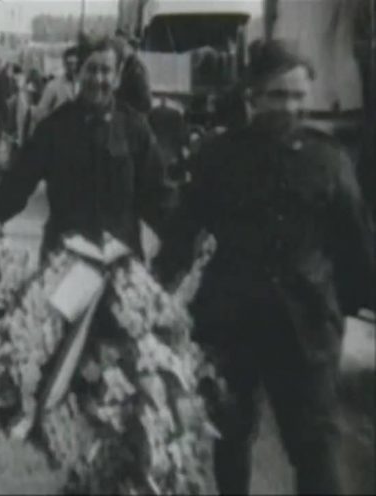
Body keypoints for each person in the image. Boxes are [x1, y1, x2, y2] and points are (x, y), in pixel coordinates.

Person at [154, 39, 374, 495]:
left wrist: (347, 311)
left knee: (316, 447)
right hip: (231, 326)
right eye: (278, 95)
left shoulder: (329, 160)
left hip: (308, 328)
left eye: (298, 96)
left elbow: (355, 244)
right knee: (230, 437)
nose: (290, 107)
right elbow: (182, 231)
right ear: (251, 96)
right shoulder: (217, 157)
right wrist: (154, 290)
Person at [0, 36, 171, 262]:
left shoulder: (135, 129)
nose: (98, 79)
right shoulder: (54, 128)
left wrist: (182, 241)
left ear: (116, 77)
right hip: (64, 261)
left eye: (106, 71)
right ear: (78, 73)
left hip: (121, 265)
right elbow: (18, 182)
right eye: (91, 69)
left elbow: (157, 198)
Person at [33, 46, 80, 126]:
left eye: (75, 63)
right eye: (69, 63)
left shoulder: (82, 86)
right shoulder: (53, 86)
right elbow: (39, 114)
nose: (72, 67)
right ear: (64, 63)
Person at [115, 30, 152, 114]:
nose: (118, 53)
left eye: (120, 49)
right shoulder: (128, 66)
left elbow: (146, 102)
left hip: (134, 116)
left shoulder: (136, 69)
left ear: (129, 48)